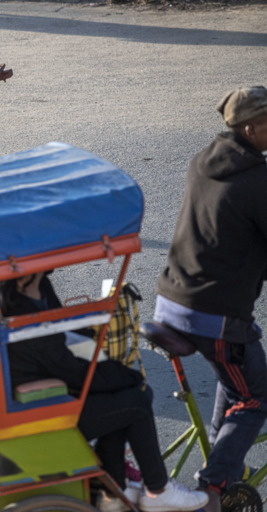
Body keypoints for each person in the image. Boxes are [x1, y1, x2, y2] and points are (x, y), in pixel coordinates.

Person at [0, 245, 209, 512]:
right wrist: (124, 376)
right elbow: (68, 368)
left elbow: (61, 332)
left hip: (19, 388)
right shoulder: (21, 318)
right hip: (32, 410)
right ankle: (157, 489)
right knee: (137, 399)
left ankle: (114, 489)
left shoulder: (14, 293)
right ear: (22, 274)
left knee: (123, 395)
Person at [153, 86, 267, 506]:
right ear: (250, 129)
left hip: (172, 300)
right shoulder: (257, 181)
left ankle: (227, 464)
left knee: (233, 377)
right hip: (212, 314)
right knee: (255, 398)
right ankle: (213, 489)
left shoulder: (203, 162)